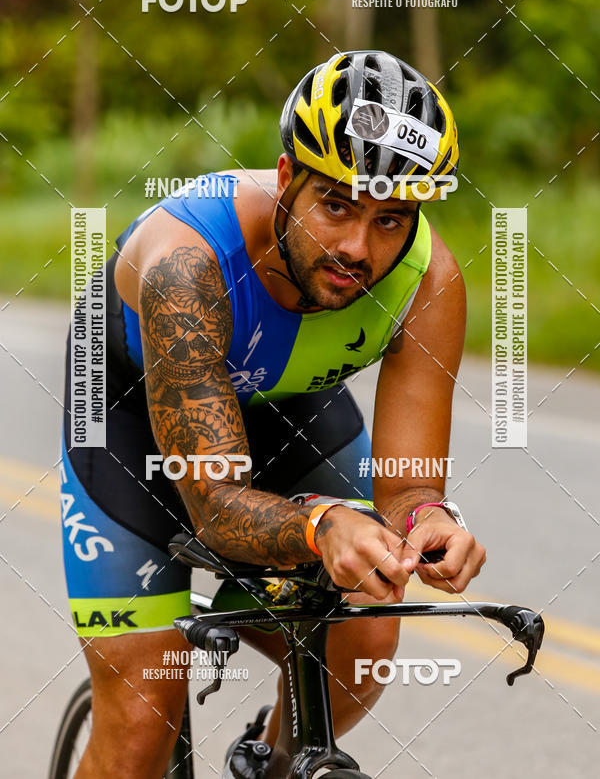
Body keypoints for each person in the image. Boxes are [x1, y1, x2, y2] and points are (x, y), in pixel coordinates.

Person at [60, 49, 486, 778]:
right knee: (141, 720)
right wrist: (323, 524)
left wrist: (428, 521)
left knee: (363, 639)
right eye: (337, 206)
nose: (358, 248)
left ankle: (274, 761)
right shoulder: (186, 264)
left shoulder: (431, 280)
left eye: (391, 220)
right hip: (134, 416)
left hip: (285, 411)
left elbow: (411, 489)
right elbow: (217, 505)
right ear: (286, 178)